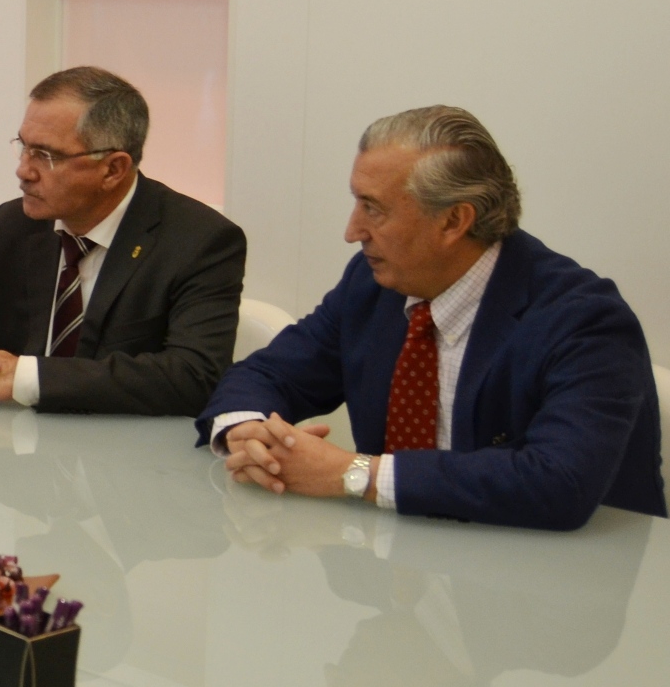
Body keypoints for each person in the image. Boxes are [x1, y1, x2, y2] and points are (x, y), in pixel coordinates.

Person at [203, 106, 664, 530]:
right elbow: (269, 372)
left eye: (373, 208)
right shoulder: (372, 286)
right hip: (397, 573)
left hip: (551, 585)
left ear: (453, 221)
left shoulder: (585, 320)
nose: (351, 231)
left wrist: (353, 474)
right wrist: (249, 432)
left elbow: (560, 483)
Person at [0, 66, 246, 415]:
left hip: (125, 461)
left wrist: (23, 378)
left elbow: (193, 376)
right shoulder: (16, 224)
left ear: (113, 169)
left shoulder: (200, 241)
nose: (23, 170)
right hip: (13, 453)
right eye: (24, 147)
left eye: (46, 156)